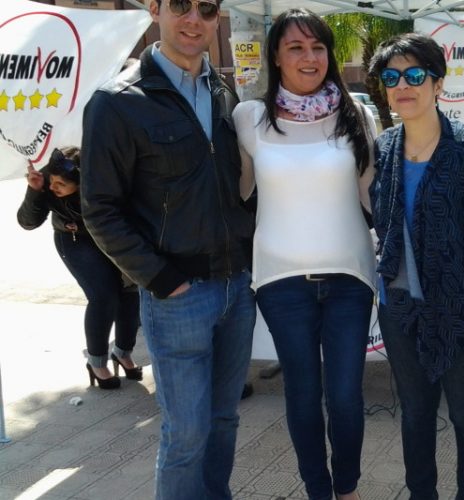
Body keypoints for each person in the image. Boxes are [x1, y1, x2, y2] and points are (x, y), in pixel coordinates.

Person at [79, 0, 256, 497]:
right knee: (186, 435)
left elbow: (237, 186)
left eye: (206, 8)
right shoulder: (117, 101)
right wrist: (159, 279)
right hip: (178, 297)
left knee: (224, 420)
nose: (193, 19)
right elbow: (100, 209)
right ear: (155, 8)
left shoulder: (222, 92)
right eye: (180, 5)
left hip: (236, 288)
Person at [232, 9, 375, 500]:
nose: (309, 57)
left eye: (318, 47)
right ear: (276, 56)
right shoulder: (249, 118)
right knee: (303, 395)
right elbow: (236, 194)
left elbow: (373, 197)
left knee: (346, 396)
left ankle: (347, 489)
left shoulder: (357, 115)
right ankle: (318, 489)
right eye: (295, 47)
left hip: (350, 278)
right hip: (281, 283)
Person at [368, 33, 464, 499]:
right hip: (401, 306)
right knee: (416, 411)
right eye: (392, 77)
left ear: (438, 84)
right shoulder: (383, 148)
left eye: (415, 75)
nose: (403, 85)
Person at [17, 147, 141, 390]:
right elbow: (27, 222)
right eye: (52, 182)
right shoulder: (46, 179)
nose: (53, 187)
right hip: (74, 240)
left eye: (61, 184)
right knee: (103, 297)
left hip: (111, 238)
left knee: (129, 293)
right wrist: (34, 190)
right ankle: (97, 362)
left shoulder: (101, 182)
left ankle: (123, 353)